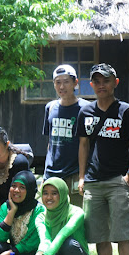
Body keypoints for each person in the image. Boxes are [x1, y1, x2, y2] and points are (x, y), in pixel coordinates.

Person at [76, 63, 129, 255]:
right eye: (96, 81)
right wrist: (82, 177)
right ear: (91, 85)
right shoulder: (85, 112)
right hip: (93, 182)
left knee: (123, 233)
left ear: (115, 82)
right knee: (99, 235)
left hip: (118, 180)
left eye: (106, 80)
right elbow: (83, 145)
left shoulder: (126, 111)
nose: (101, 85)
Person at [32, 177, 93, 255]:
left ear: (63, 193)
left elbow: (63, 234)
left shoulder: (76, 212)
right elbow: (45, 240)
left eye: (54, 193)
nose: (49, 197)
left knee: (68, 244)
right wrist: (40, 253)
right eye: (45, 193)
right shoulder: (40, 217)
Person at [42, 65, 90, 207]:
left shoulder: (85, 109)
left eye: (66, 81)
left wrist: (82, 176)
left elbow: (85, 144)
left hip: (74, 173)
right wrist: (46, 173)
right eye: (58, 82)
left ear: (75, 83)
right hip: (52, 174)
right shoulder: (50, 107)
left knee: (77, 215)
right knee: (52, 216)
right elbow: (50, 143)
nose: (62, 86)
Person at [0, 127, 31, 223]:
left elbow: (20, 192)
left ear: (7, 144)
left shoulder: (19, 162)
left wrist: (8, 218)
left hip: (19, 201)